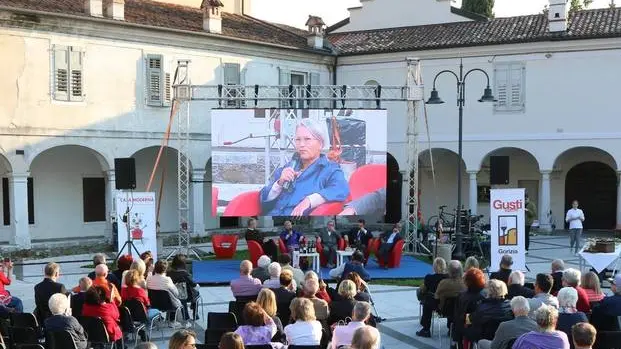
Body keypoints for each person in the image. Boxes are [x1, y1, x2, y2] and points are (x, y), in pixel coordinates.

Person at [259, 118, 350, 217]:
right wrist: (279, 184)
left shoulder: (330, 169)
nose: (301, 145)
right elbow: (262, 197)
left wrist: (309, 200)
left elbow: (341, 189)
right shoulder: (289, 167)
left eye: (307, 139)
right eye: (298, 140)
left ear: (321, 144)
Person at [452, 268, 486, 348]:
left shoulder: (461, 296)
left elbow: (458, 316)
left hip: (463, 328)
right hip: (477, 329)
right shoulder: (483, 297)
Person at [416, 257, 448, 338]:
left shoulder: (429, 278)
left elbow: (423, 290)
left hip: (434, 303)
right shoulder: (448, 277)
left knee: (426, 300)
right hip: (447, 304)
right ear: (444, 266)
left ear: (434, 267)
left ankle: (426, 329)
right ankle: (450, 328)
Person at [168, 254, 200, 321]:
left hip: (171, 296)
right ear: (183, 263)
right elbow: (194, 285)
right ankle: (195, 313)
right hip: (185, 296)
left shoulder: (169, 273)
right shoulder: (184, 274)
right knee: (197, 293)